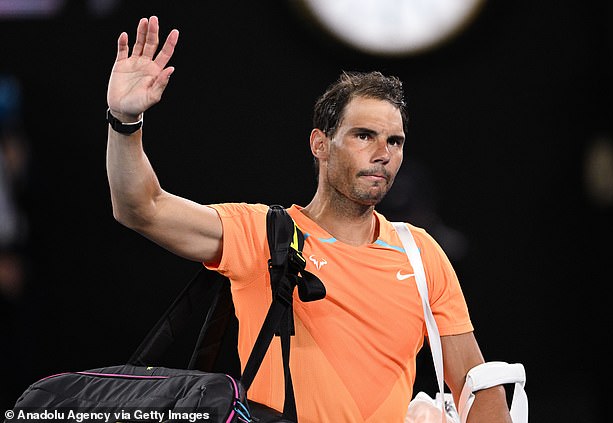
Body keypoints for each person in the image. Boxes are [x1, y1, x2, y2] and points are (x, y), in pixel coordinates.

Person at [105, 16, 512, 423]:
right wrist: (124, 121)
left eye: (395, 141)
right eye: (364, 135)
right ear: (320, 144)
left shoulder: (421, 255)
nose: (383, 153)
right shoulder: (263, 235)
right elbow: (142, 207)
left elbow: (477, 383)